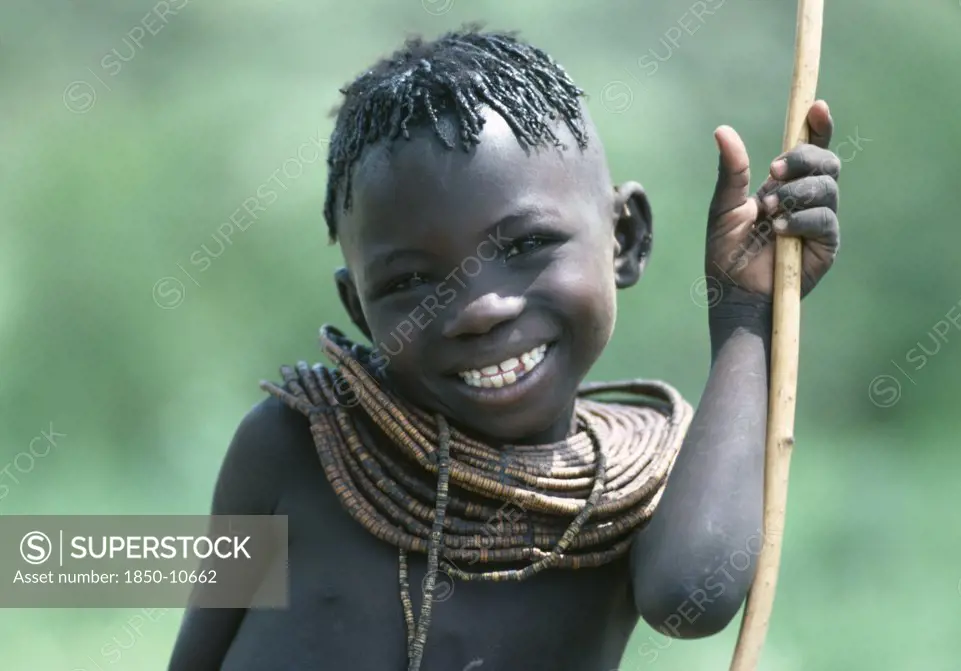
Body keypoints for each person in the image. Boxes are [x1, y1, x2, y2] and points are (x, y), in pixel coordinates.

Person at [168, 25, 841, 671]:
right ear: (360, 309)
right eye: (408, 281)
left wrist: (745, 317)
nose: (480, 310)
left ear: (626, 237)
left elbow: (690, 598)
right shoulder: (298, 445)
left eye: (525, 246)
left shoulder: (626, 491)